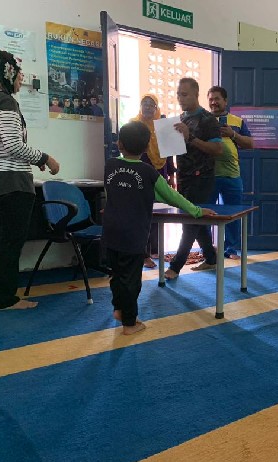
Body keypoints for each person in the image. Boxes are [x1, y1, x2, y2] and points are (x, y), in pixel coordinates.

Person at [0, 48, 60, 310]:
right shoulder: (4, 101)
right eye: (18, 74)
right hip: (11, 182)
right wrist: (45, 158)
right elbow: (13, 145)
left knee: (6, 240)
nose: (21, 79)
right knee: (12, 242)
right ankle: (6, 299)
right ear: (5, 73)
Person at [103, 121, 216, 335]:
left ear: (119, 144)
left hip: (110, 232)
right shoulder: (148, 172)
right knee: (131, 279)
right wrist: (197, 211)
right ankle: (130, 323)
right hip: (133, 235)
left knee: (116, 275)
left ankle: (119, 309)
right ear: (147, 148)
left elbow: (118, 191)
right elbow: (172, 196)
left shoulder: (110, 165)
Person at [164, 78, 223, 280]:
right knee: (197, 220)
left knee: (190, 221)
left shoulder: (208, 119)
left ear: (196, 95)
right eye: (178, 94)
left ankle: (176, 266)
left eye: (184, 94)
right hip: (184, 177)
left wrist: (191, 138)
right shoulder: (181, 119)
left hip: (202, 177)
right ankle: (211, 257)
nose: (180, 98)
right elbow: (176, 150)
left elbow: (218, 149)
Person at [207, 86, 254, 260]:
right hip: (208, 176)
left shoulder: (237, 121)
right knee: (206, 213)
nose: (213, 102)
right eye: (211, 99)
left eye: (217, 99)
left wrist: (233, 134)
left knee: (233, 213)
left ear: (225, 101)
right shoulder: (203, 120)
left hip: (232, 176)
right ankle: (207, 249)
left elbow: (250, 144)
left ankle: (231, 249)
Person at [131, 93, 176, 268]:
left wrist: (172, 176)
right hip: (139, 174)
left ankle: (156, 249)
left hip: (160, 173)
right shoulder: (134, 125)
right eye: (145, 104)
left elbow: (169, 153)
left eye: (151, 104)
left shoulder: (162, 127)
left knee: (158, 211)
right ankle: (143, 254)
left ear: (156, 108)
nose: (148, 107)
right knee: (141, 214)